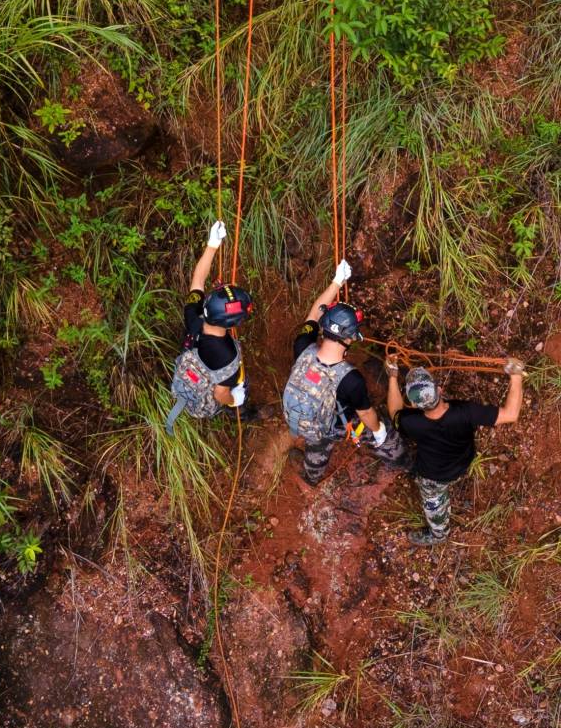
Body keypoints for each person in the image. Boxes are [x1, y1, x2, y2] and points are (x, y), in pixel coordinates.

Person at [283, 259, 404, 485]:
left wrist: (336, 282)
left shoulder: (302, 346)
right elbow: (366, 414)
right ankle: (399, 459)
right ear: (349, 338)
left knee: (317, 447)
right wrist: (377, 430)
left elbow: (313, 315)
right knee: (384, 431)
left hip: (309, 420)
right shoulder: (350, 379)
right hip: (336, 423)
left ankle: (312, 475)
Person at [386, 358, 525, 546]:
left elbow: (394, 411)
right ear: (440, 390)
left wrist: (393, 377)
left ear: (414, 405)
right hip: (462, 463)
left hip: (433, 477)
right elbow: (511, 414)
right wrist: (516, 376)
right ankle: (439, 533)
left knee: (434, 505)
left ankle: (439, 535)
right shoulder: (466, 412)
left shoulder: (411, 422)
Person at [165, 220, 253, 434]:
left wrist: (212, 244)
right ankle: (240, 413)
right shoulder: (228, 358)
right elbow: (220, 395)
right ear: (233, 323)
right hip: (208, 397)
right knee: (241, 387)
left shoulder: (194, 316)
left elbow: (198, 280)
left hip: (191, 377)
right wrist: (234, 400)